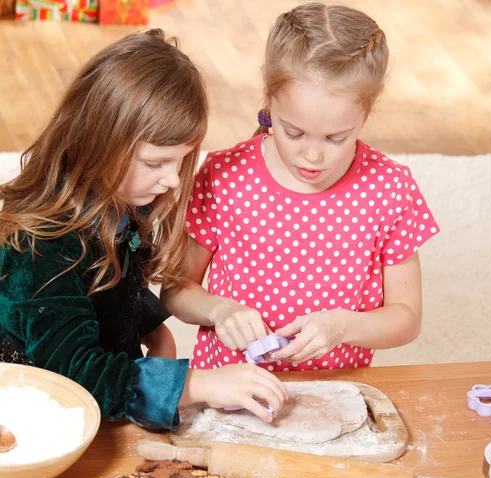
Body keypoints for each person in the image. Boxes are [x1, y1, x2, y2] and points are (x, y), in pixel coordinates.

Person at [0, 30, 286, 428]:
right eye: (156, 163)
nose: (171, 180)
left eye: (181, 161)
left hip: (106, 406)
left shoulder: (120, 202)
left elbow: (113, 290)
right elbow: (76, 377)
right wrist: (197, 385)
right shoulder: (39, 248)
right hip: (31, 415)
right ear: (97, 142)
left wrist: (155, 332)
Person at [162, 3, 439, 372]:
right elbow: (176, 288)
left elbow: (407, 317)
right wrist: (219, 309)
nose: (312, 156)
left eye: (336, 138)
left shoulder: (390, 188)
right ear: (268, 100)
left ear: (366, 114)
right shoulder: (224, 176)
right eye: (293, 132)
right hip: (230, 386)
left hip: (337, 390)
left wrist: (343, 326)